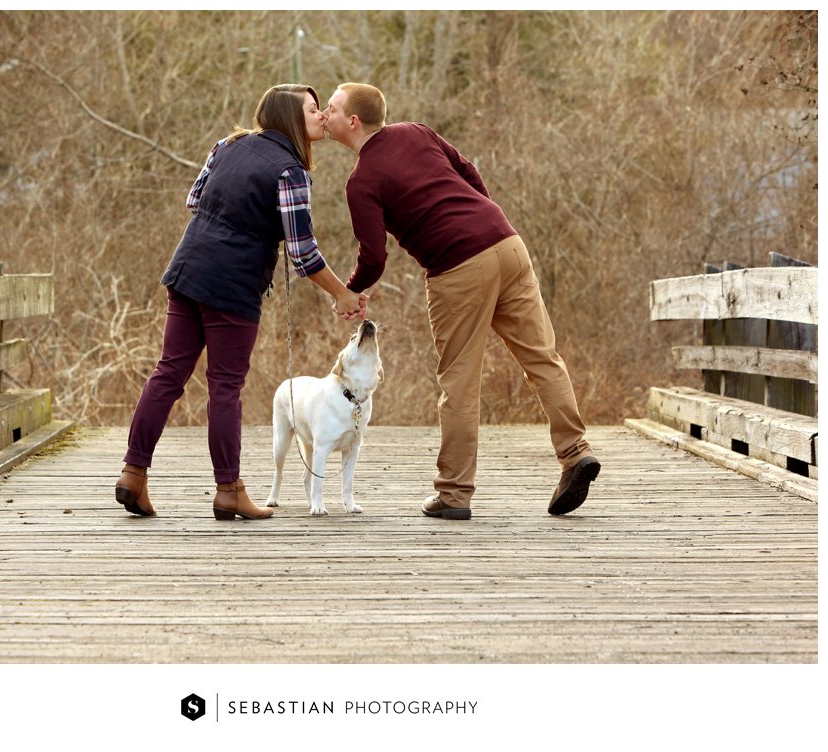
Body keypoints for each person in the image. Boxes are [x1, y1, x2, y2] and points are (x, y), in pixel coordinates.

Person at [323, 82, 600, 520]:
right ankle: (575, 451)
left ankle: (454, 494)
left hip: (458, 268)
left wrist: (350, 291)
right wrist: (479, 220)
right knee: (543, 359)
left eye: (332, 110)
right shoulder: (416, 131)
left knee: (459, 383)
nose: (324, 116)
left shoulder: (361, 181)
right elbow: (469, 173)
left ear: (352, 122)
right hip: (506, 243)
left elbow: (374, 256)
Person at [116, 84, 366, 521]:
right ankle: (229, 489)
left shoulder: (227, 145)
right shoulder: (291, 171)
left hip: (189, 264)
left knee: (168, 372)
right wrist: (342, 293)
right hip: (232, 284)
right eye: (313, 109)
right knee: (225, 387)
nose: (322, 115)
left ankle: (133, 475)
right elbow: (303, 252)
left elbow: (196, 200)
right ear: (290, 117)